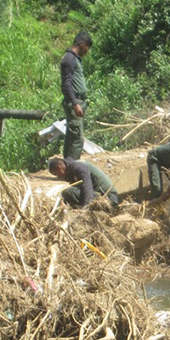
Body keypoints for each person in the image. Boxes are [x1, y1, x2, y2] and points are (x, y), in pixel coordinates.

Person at [60, 31, 93, 160]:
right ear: (83, 44)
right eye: (87, 48)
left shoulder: (72, 58)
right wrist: (75, 104)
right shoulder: (69, 59)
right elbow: (66, 85)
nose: (87, 51)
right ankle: (72, 169)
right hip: (74, 102)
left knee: (71, 136)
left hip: (76, 101)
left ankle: (67, 166)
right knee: (77, 138)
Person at [49, 156, 118, 208]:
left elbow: (87, 187)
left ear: (59, 168)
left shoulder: (78, 166)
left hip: (109, 199)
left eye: (56, 174)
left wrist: (86, 208)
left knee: (67, 192)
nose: (58, 177)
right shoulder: (72, 171)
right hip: (100, 195)